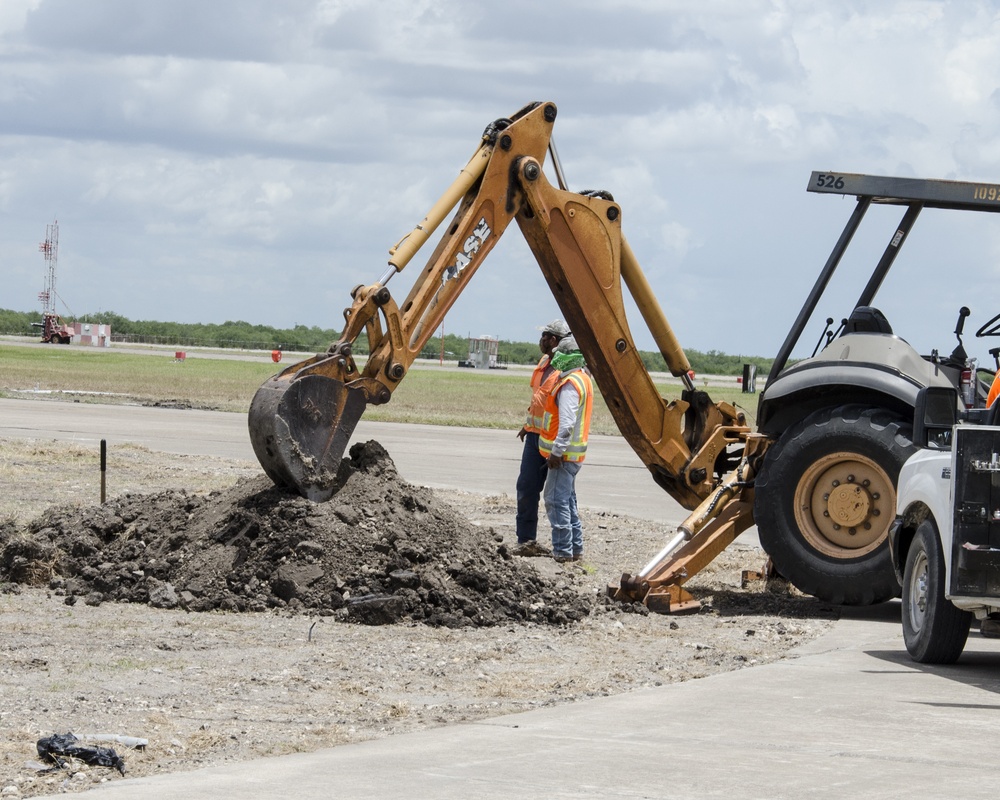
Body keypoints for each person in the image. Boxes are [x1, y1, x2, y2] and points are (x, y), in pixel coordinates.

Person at [513, 319, 570, 556]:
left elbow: (564, 410)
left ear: (554, 340)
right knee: (526, 488)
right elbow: (538, 400)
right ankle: (526, 541)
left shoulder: (565, 367)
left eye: (545, 335)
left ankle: (566, 550)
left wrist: (559, 446)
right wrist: (528, 426)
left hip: (554, 443)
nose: (541, 340)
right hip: (535, 438)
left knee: (559, 497)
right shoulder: (544, 362)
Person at [538, 335, 593, 563]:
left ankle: (562, 552)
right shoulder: (582, 378)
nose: (556, 356)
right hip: (573, 455)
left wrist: (556, 453)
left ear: (571, 357)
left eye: (561, 353)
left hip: (564, 456)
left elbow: (567, 424)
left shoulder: (570, 384)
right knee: (568, 501)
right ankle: (575, 549)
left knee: (554, 500)